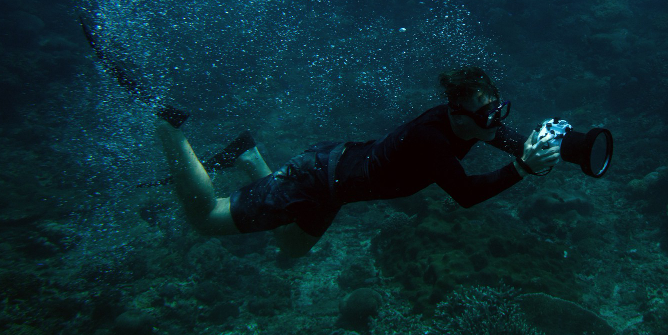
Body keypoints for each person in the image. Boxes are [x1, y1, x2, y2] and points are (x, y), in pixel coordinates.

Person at [155, 67, 560, 257]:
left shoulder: (475, 124)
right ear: (456, 114)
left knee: (291, 248)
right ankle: (168, 125)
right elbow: (467, 194)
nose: (497, 123)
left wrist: (550, 145)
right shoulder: (432, 138)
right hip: (315, 179)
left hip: (334, 183)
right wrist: (523, 168)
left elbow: (513, 141)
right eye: (487, 116)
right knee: (207, 219)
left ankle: (248, 154)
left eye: (499, 110)